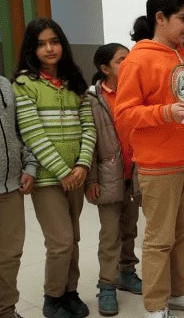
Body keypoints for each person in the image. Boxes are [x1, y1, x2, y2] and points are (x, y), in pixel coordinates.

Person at [115, 0, 184, 318]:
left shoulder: (182, 55)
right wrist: (164, 113)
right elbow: (124, 114)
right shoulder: (139, 59)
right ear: (159, 18)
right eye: (183, 18)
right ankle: (155, 305)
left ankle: (181, 291)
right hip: (158, 163)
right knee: (160, 239)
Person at [13, 18, 97, 318]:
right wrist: (63, 171)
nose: (49, 48)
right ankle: (52, 297)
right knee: (60, 240)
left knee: (73, 237)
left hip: (76, 173)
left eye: (55, 41)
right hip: (49, 178)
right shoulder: (24, 84)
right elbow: (32, 133)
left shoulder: (75, 82)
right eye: (41, 44)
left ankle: (69, 291)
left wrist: (83, 165)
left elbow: (89, 127)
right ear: (31, 49)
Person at [85, 43, 142, 316]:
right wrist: (91, 179)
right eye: (121, 61)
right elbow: (90, 142)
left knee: (130, 229)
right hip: (107, 176)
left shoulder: (136, 92)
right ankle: (106, 285)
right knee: (110, 234)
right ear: (104, 68)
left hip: (136, 173)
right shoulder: (92, 99)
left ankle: (126, 272)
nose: (128, 65)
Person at [0, 75, 38, 318]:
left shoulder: (5, 85)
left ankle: (6, 309)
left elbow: (20, 130)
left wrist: (30, 165)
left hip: (10, 187)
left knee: (10, 255)